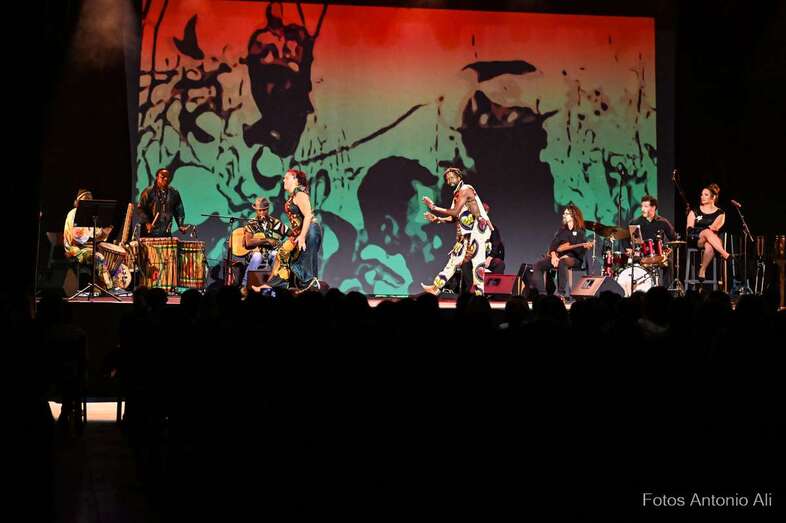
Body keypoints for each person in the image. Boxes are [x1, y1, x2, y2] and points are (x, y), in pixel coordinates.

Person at [420, 167, 493, 296]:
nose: (449, 181)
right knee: (454, 259)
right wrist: (437, 219)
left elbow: (454, 212)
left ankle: (479, 296)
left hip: (478, 233)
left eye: (452, 177)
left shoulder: (465, 190)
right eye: (447, 179)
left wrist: (433, 207)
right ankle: (436, 288)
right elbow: (454, 217)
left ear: (459, 177)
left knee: (477, 265)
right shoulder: (457, 195)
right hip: (466, 235)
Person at [266, 169, 322, 291]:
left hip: (309, 231)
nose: (283, 180)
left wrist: (301, 237)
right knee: (284, 254)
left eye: (286, 178)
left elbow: (308, 215)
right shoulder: (294, 195)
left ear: (295, 179)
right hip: (304, 232)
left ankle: (310, 285)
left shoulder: (299, 194)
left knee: (301, 262)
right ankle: (272, 285)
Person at [531, 204, 593, 299]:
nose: (563, 215)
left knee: (563, 262)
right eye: (564, 213)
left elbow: (580, 251)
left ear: (573, 216)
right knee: (538, 265)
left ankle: (561, 294)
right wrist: (554, 256)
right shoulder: (562, 230)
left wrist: (567, 255)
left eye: (566, 214)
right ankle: (542, 294)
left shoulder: (580, 232)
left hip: (573, 259)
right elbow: (553, 245)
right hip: (558, 258)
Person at [63, 188, 113, 286]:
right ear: (78, 201)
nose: (88, 202)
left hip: (88, 248)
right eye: (85, 200)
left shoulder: (90, 216)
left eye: (90, 200)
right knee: (98, 258)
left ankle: (102, 285)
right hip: (74, 249)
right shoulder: (73, 214)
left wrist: (105, 232)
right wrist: (96, 236)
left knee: (108, 257)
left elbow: (96, 236)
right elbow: (77, 239)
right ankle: (108, 287)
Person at [627, 195, 677, 286]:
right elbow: (627, 239)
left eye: (646, 206)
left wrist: (669, 249)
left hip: (658, 256)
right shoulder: (635, 222)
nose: (642, 209)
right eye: (642, 206)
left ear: (653, 207)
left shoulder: (663, 222)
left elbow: (674, 239)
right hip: (641, 255)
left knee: (668, 262)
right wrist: (629, 249)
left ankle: (667, 291)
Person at [241, 197, 289, 289]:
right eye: (259, 210)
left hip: (271, 252)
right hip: (256, 252)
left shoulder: (276, 223)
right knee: (257, 256)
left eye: (264, 210)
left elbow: (290, 233)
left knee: (277, 255)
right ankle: (244, 286)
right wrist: (266, 240)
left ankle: (274, 287)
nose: (262, 213)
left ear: (268, 209)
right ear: (256, 210)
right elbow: (248, 242)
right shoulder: (252, 223)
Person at [686, 183, 730, 284]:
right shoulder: (694, 211)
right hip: (695, 238)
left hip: (711, 240)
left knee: (709, 245)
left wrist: (707, 231)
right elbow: (689, 229)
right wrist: (703, 231)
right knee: (707, 232)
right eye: (702, 194)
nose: (702, 197)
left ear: (713, 197)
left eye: (706, 195)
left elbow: (715, 228)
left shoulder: (720, 213)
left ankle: (702, 270)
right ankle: (724, 253)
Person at [136, 168, 189, 237]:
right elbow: (140, 209)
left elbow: (179, 210)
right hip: (149, 233)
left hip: (166, 232)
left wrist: (180, 225)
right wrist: (147, 223)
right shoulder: (148, 192)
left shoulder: (174, 193)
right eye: (163, 177)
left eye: (167, 177)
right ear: (157, 177)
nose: (166, 179)